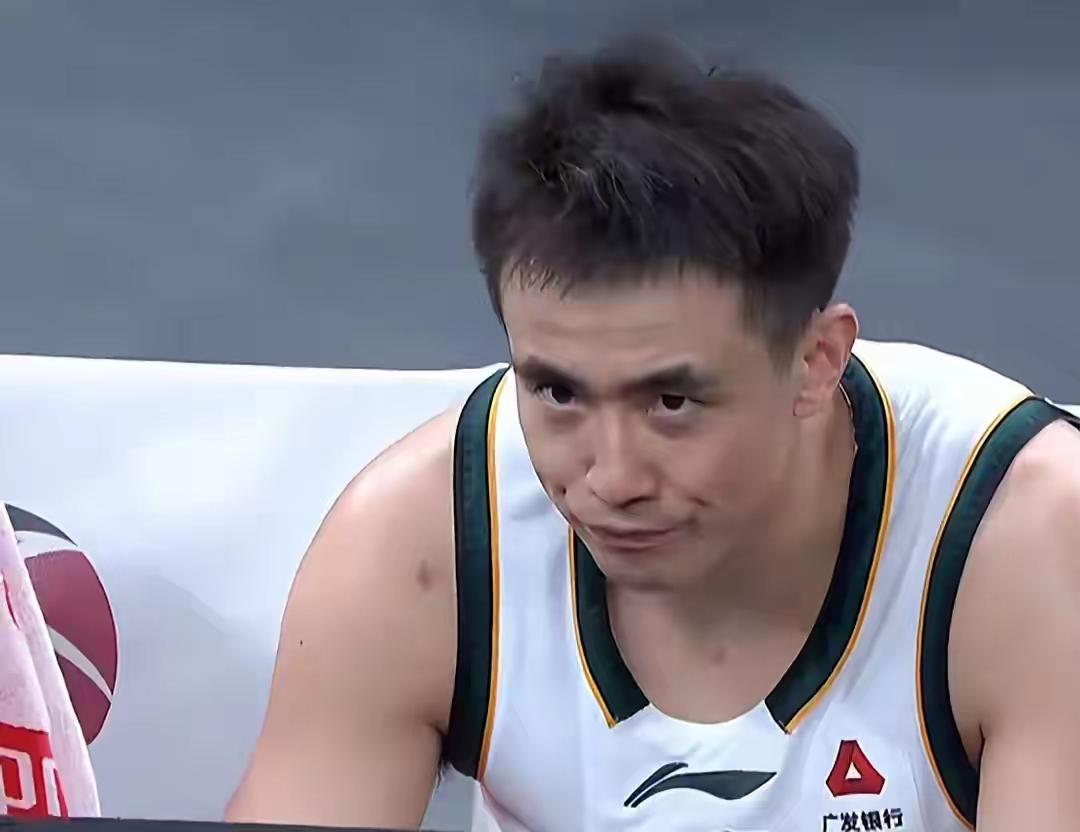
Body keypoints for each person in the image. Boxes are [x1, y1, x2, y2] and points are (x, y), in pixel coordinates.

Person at [225, 35, 1080, 832]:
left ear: (815, 363)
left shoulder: (1030, 547)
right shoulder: (423, 544)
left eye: (672, 402)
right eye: (557, 391)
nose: (612, 478)